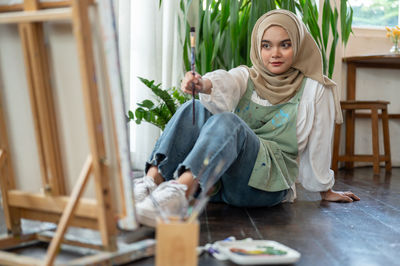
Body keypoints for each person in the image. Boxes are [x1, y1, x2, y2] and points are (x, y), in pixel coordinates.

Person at [133, 9, 360, 227]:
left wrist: (325, 190)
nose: (275, 54)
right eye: (266, 45)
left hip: (265, 186)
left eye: (285, 44)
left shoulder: (316, 88)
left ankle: (180, 195)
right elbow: (227, 82)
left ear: (299, 46)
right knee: (194, 108)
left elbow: (320, 142)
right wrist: (204, 85)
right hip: (220, 183)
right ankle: (151, 183)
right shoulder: (246, 76)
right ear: (258, 47)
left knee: (229, 123)